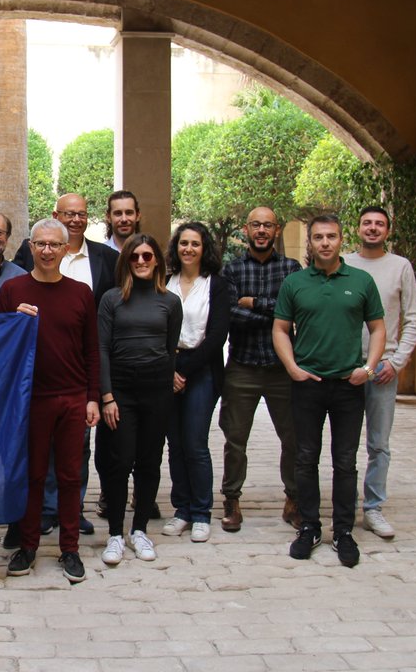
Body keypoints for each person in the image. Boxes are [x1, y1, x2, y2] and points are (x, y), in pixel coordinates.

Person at [274, 214, 385, 568]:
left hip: (348, 386)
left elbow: (378, 328)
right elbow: (280, 329)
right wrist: (292, 367)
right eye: (319, 237)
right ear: (311, 242)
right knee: (305, 458)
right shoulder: (295, 283)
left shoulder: (362, 281)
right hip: (308, 385)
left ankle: (342, 531)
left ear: (341, 239)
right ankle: (308, 527)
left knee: (345, 461)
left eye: (331, 236)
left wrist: (368, 368)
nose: (325, 242)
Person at [0, 219, 100, 583]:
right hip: (31, 400)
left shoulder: (81, 292)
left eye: (54, 245)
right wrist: (13, 322)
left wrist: (93, 398)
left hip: (73, 398)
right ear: (30, 246)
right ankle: (27, 546)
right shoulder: (12, 290)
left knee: (72, 477)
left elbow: (92, 350)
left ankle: (69, 549)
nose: (46, 251)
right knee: (33, 475)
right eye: (40, 244)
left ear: (64, 249)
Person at [96, 234, 182, 566]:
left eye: (148, 256)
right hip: (120, 390)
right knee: (119, 462)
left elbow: (169, 348)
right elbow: (102, 349)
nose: (142, 261)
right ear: (127, 261)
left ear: (157, 260)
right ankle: (116, 533)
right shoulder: (111, 299)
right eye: (135, 257)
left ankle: (140, 529)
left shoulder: (170, 302)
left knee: (149, 462)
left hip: (156, 390)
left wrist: (165, 384)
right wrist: (107, 396)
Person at [218, 206, 302, 532]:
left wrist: (253, 302)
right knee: (235, 439)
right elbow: (229, 314)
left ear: (277, 230)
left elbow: (293, 313)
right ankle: (231, 500)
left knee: (292, 438)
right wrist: (276, 313)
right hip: (243, 366)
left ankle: (293, 499)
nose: (262, 230)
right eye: (256, 225)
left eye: (268, 225)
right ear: (246, 229)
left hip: (283, 367)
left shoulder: (292, 269)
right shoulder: (232, 270)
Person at [343, 206, 416, 540]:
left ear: (387, 231)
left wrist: (397, 362)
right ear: (357, 228)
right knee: (342, 444)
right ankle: (342, 502)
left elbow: (413, 318)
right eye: (367, 223)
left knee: (379, 443)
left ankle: (373, 507)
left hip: (383, 370)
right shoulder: (343, 263)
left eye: (379, 224)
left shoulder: (400, 266)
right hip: (344, 368)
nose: (373, 228)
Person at [162, 222, 231, 543]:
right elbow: (157, 329)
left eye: (195, 244)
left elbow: (217, 336)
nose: (188, 249)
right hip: (168, 371)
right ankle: (182, 510)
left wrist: (184, 369)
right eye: (183, 243)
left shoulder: (216, 285)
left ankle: (202, 512)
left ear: (205, 249)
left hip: (201, 371)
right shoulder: (165, 282)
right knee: (174, 444)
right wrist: (170, 368)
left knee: (195, 443)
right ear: (176, 247)